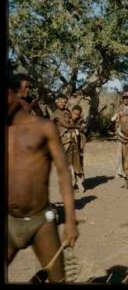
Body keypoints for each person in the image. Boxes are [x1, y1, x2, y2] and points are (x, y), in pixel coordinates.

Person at [8, 75, 79, 283]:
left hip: (41, 221)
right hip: (9, 221)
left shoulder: (44, 127)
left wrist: (71, 219)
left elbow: (64, 173)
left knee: (59, 279)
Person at [66, 105, 88, 192]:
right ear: (71, 112)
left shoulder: (81, 121)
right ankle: (71, 185)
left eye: (78, 114)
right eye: (74, 114)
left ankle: (80, 184)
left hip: (78, 147)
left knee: (78, 164)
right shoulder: (67, 119)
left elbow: (83, 133)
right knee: (68, 165)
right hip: (68, 146)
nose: (76, 116)